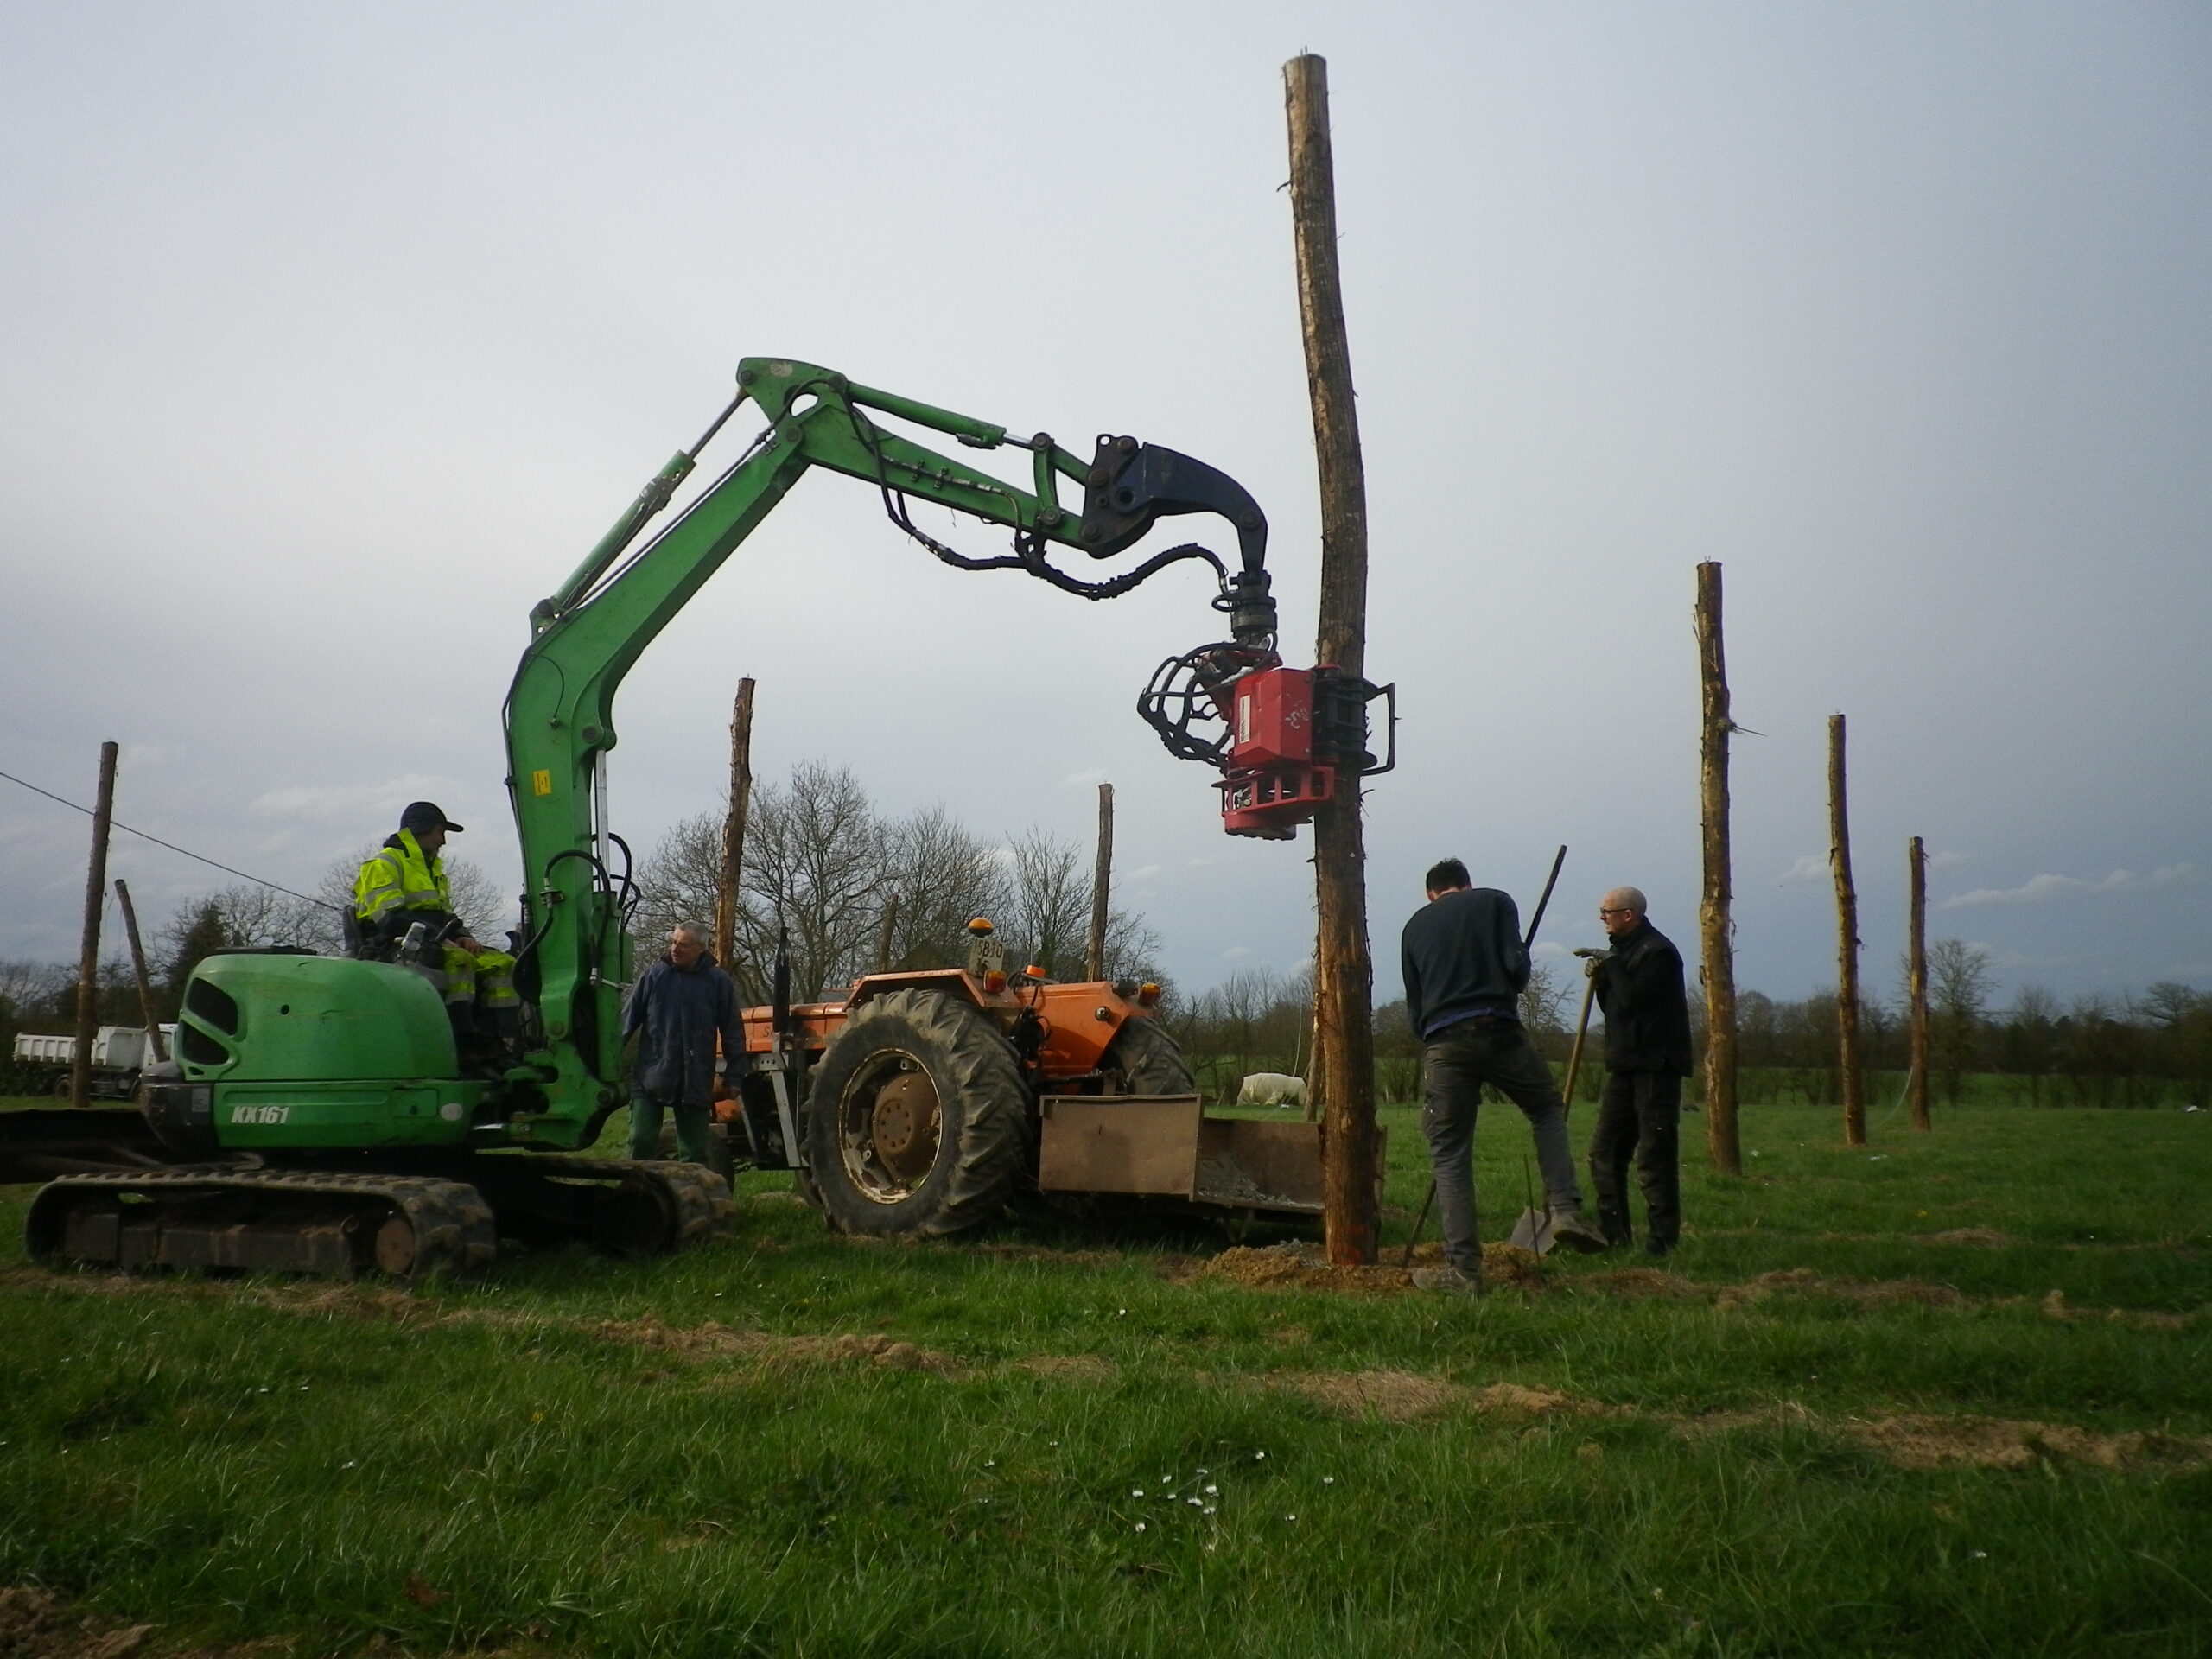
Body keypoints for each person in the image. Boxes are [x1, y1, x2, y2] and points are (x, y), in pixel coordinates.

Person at [1401, 858, 1608, 1294]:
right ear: (1467, 884)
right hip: (1499, 1029)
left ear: (1430, 893)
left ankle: (1465, 1273)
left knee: (1450, 1152)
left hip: (1444, 1043)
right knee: (1546, 1109)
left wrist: (1434, 1042)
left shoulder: (1413, 927)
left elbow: (1416, 1007)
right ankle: (1566, 1210)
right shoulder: (1495, 901)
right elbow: (1516, 972)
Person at [351, 801, 518, 1059]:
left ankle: (499, 1044)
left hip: (436, 941)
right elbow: (389, 918)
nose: (443, 841)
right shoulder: (383, 864)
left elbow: (446, 914)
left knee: (502, 964)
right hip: (395, 946)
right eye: (440, 832)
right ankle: (462, 1044)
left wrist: (463, 935)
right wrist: (440, 939)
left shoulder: (432, 870)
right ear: (421, 829)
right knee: (459, 961)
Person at [1587, 886, 1694, 1256]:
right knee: (1604, 1152)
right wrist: (1602, 981)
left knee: (1654, 1153)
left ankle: (1662, 1242)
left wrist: (1612, 968)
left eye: (1606, 912)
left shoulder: (1657, 953)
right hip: (1625, 1065)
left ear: (1628, 914)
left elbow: (1635, 1000)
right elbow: (1616, 1008)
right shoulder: (1624, 951)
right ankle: (1613, 1235)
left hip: (1656, 1066)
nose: (1602, 919)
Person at [622, 922, 745, 1164]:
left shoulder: (718, 982)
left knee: (694, 1152)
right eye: (674, 942)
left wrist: (735, 1076)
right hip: (651, 1076)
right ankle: (635, 1195)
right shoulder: (654, 976)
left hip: (695, 1078)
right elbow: (626, 1022)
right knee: (640, 1139)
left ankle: (687, 1197)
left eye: (684, 945)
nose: (675, 949)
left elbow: (733, 1031)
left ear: (701, 948)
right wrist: (604, 1064)